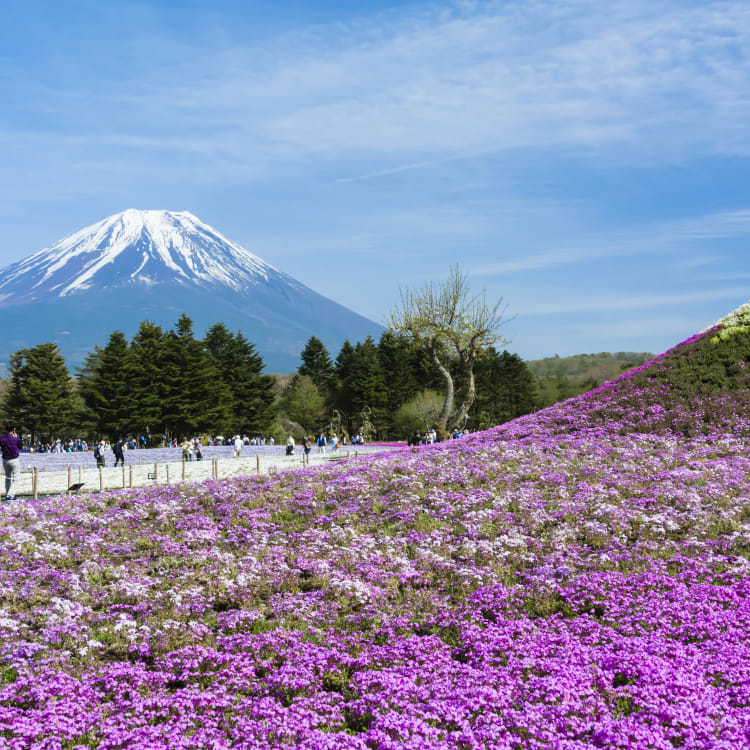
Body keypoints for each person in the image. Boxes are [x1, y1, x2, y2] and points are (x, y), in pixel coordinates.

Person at [0, 423, 22, 502]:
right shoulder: (15, 438)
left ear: (6, 429)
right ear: (14, 429)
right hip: (14, 460)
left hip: (5, 460)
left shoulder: (1, 438)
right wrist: (17, 438)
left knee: (8, 478)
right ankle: (10, 495)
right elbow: (20, 447)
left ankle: (8, 494)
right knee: (16, 478)